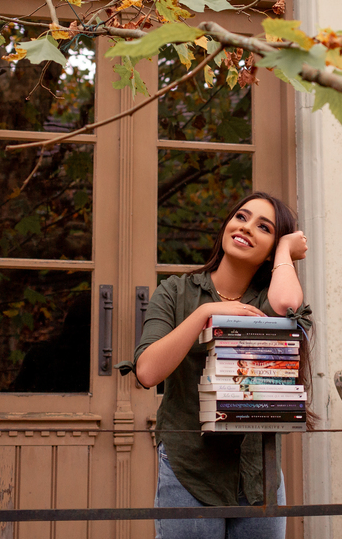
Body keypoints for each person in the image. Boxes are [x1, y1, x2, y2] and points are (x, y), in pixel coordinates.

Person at [130, 191, 309, 539]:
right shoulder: (176, 292)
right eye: (241, 217)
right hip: (188, 468)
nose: (246, 228)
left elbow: (288, 305)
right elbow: (148, 372)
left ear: (273, 248)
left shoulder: (268, 299)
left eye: (264, 227)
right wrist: (204, 314)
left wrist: (285, 252)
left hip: (259, 474)